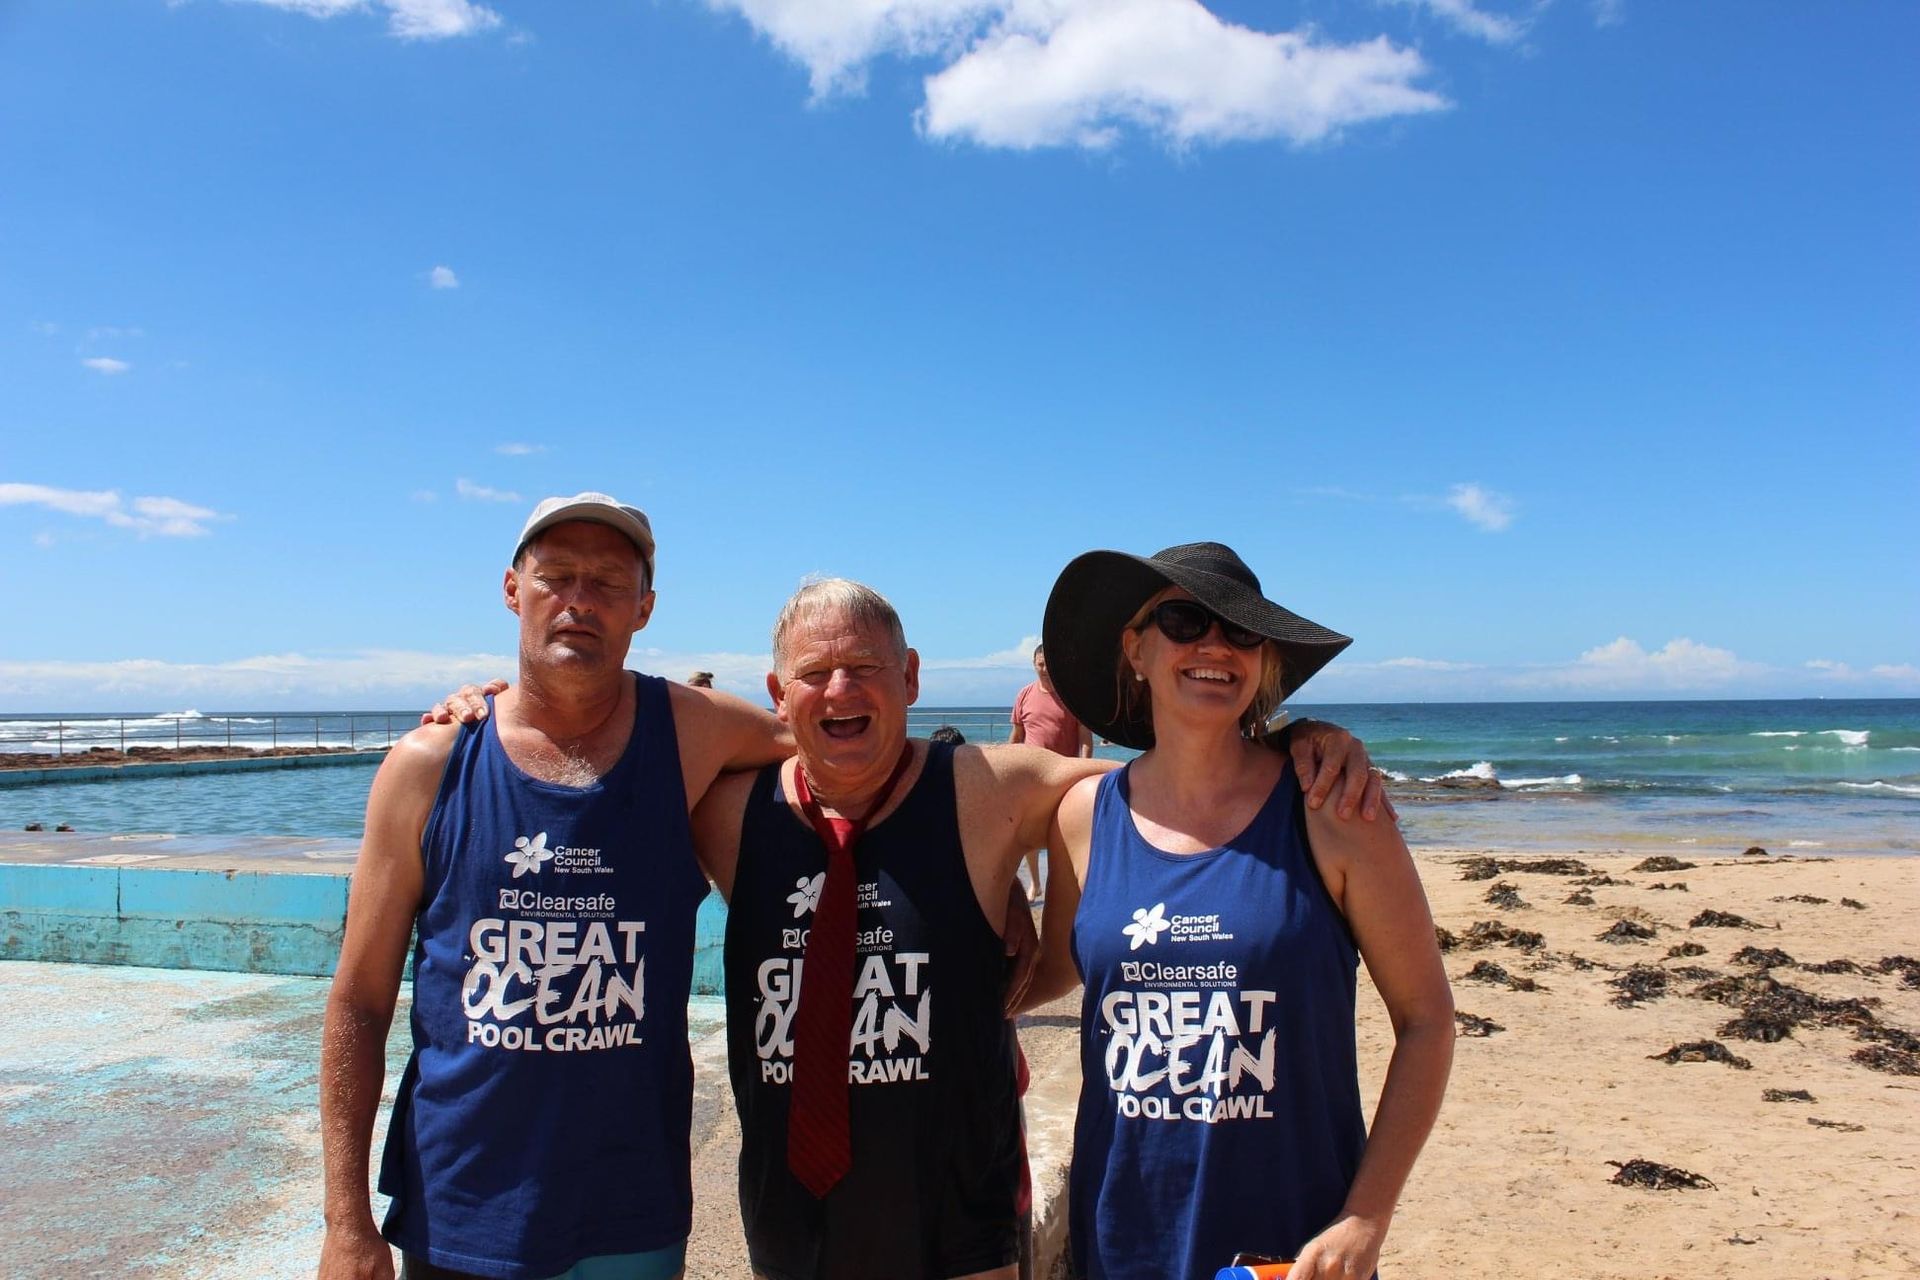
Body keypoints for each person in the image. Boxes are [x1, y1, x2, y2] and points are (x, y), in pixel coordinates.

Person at [687, 579, 1390, 1280]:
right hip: (791, 1222)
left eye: (867, 667)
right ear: (779, 695)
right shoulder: (723, 815)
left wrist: (1299, 740)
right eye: (815, 674)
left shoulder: (989, 788)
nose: (841, 689)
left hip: (963, 1222)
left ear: (909, 677)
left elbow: (1171, 785)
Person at [318, 493, 793, 1280]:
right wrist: (345, 1222)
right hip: (461, 1203)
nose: (579, 602)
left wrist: (982, 865)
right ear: (513, 590)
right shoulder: (429, 766)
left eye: (608, 583)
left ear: (643, 608)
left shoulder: (689, 729)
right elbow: (360, 1001)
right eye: (556, 578)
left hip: (630, 1203)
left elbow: (832, 749)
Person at [1023, 542, 1452, 1280]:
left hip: (1290, 1249)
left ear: (1264, 663)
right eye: (1186, 621)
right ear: (1136, 650)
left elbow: (1427, 1020)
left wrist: (1366, 1218)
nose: (1215, 645)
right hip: (1121, 1239)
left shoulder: (1332, 808)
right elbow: (1048, 973)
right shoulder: (1084, 818)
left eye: (1242, 631)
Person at [1006, 644, 1093, 900]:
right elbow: (1017, 736)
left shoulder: (1071, 696)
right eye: (1040, 664)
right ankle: (1035, 883)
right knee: (1027, 835)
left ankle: (1063, 887)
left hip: (1064, 777)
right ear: (1034, 664)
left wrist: (1084, 769)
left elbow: (1085, 739)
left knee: (1062, 836)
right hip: (1030, 778)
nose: (1044, 669)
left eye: (1048, 664)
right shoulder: (1024, 694)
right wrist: (1007, 768)